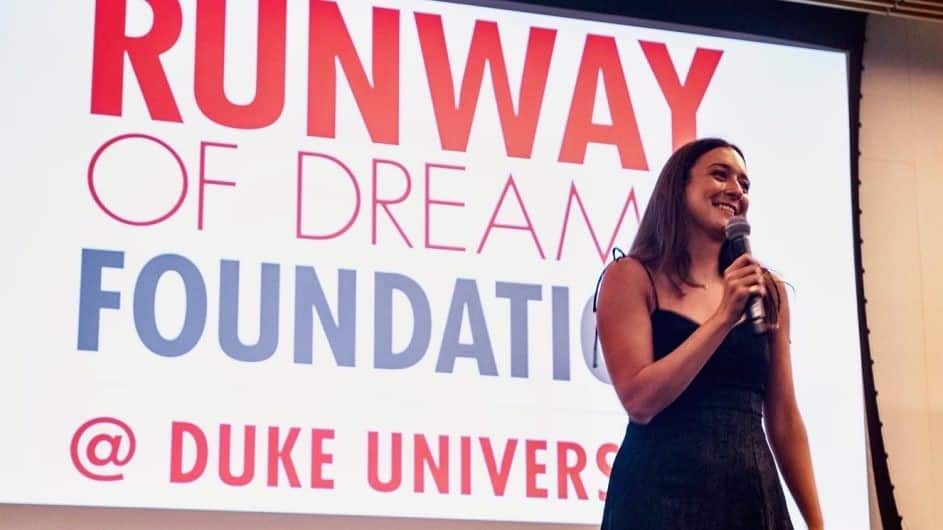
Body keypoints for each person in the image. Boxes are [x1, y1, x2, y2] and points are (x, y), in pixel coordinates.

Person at [596, 138, 823, 529]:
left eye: (745, 184)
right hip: (658, 494)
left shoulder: (766, 291)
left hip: (750, 495)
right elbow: (639, 400)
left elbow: (784, 417)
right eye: (720, 175)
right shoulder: (632, 277)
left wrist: (817, 524)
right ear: (678, 188)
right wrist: (722, 318)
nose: (736, 190)